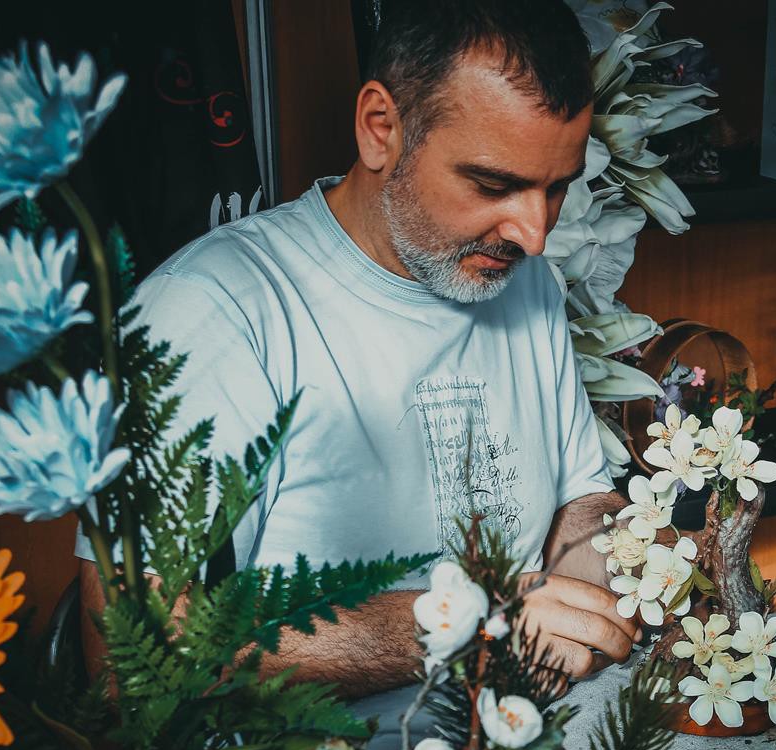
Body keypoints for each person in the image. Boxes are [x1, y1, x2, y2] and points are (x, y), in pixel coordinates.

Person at [78, 0, 641, 704]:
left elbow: (580, 500)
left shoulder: (527, 287)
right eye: (494, 185)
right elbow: (126, 652)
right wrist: (461, 627)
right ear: (381, 130)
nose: (532, 233)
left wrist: (623, 565)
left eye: (556, 188)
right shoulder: (207, 310)